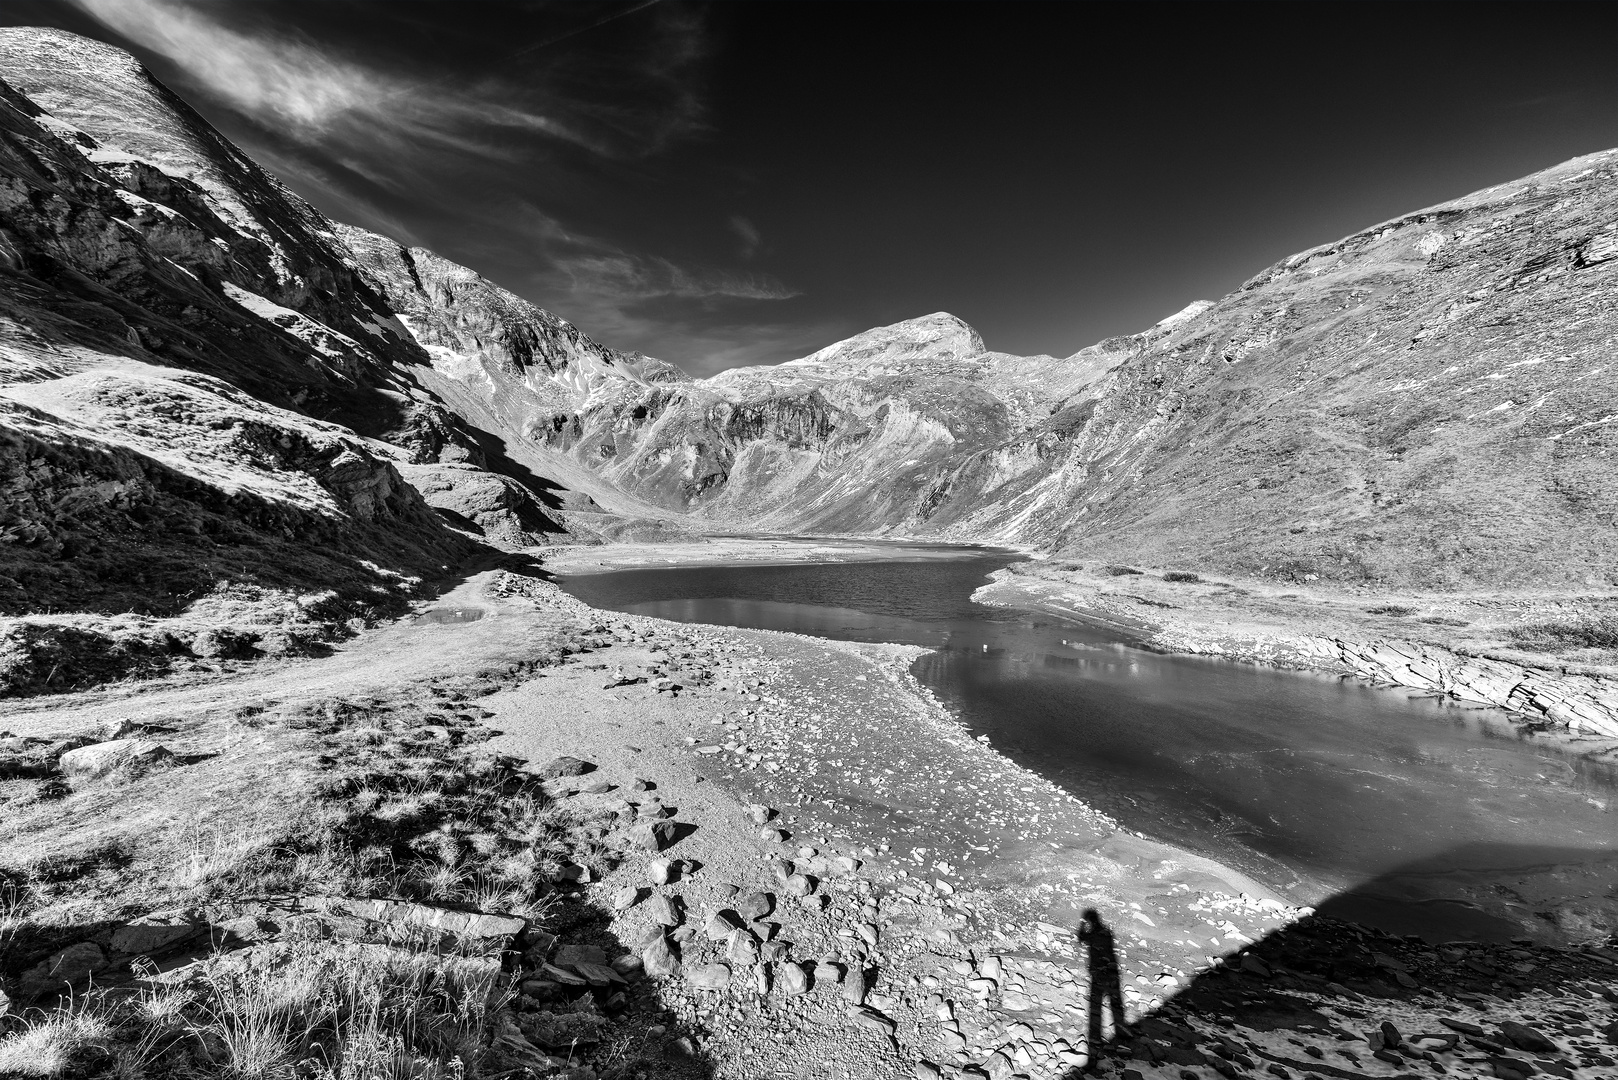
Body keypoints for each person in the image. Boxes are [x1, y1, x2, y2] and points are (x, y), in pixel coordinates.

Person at [1079, 908, 1127, 1060]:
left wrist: (1081, 925)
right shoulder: (1107, 932)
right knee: (1115, 1004)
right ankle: (1121, 1031)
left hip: (1098, 974)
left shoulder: (1091, 934)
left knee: (1096, 1006)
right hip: (1112, 974)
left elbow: (1080, 939)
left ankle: (1095, 1037)